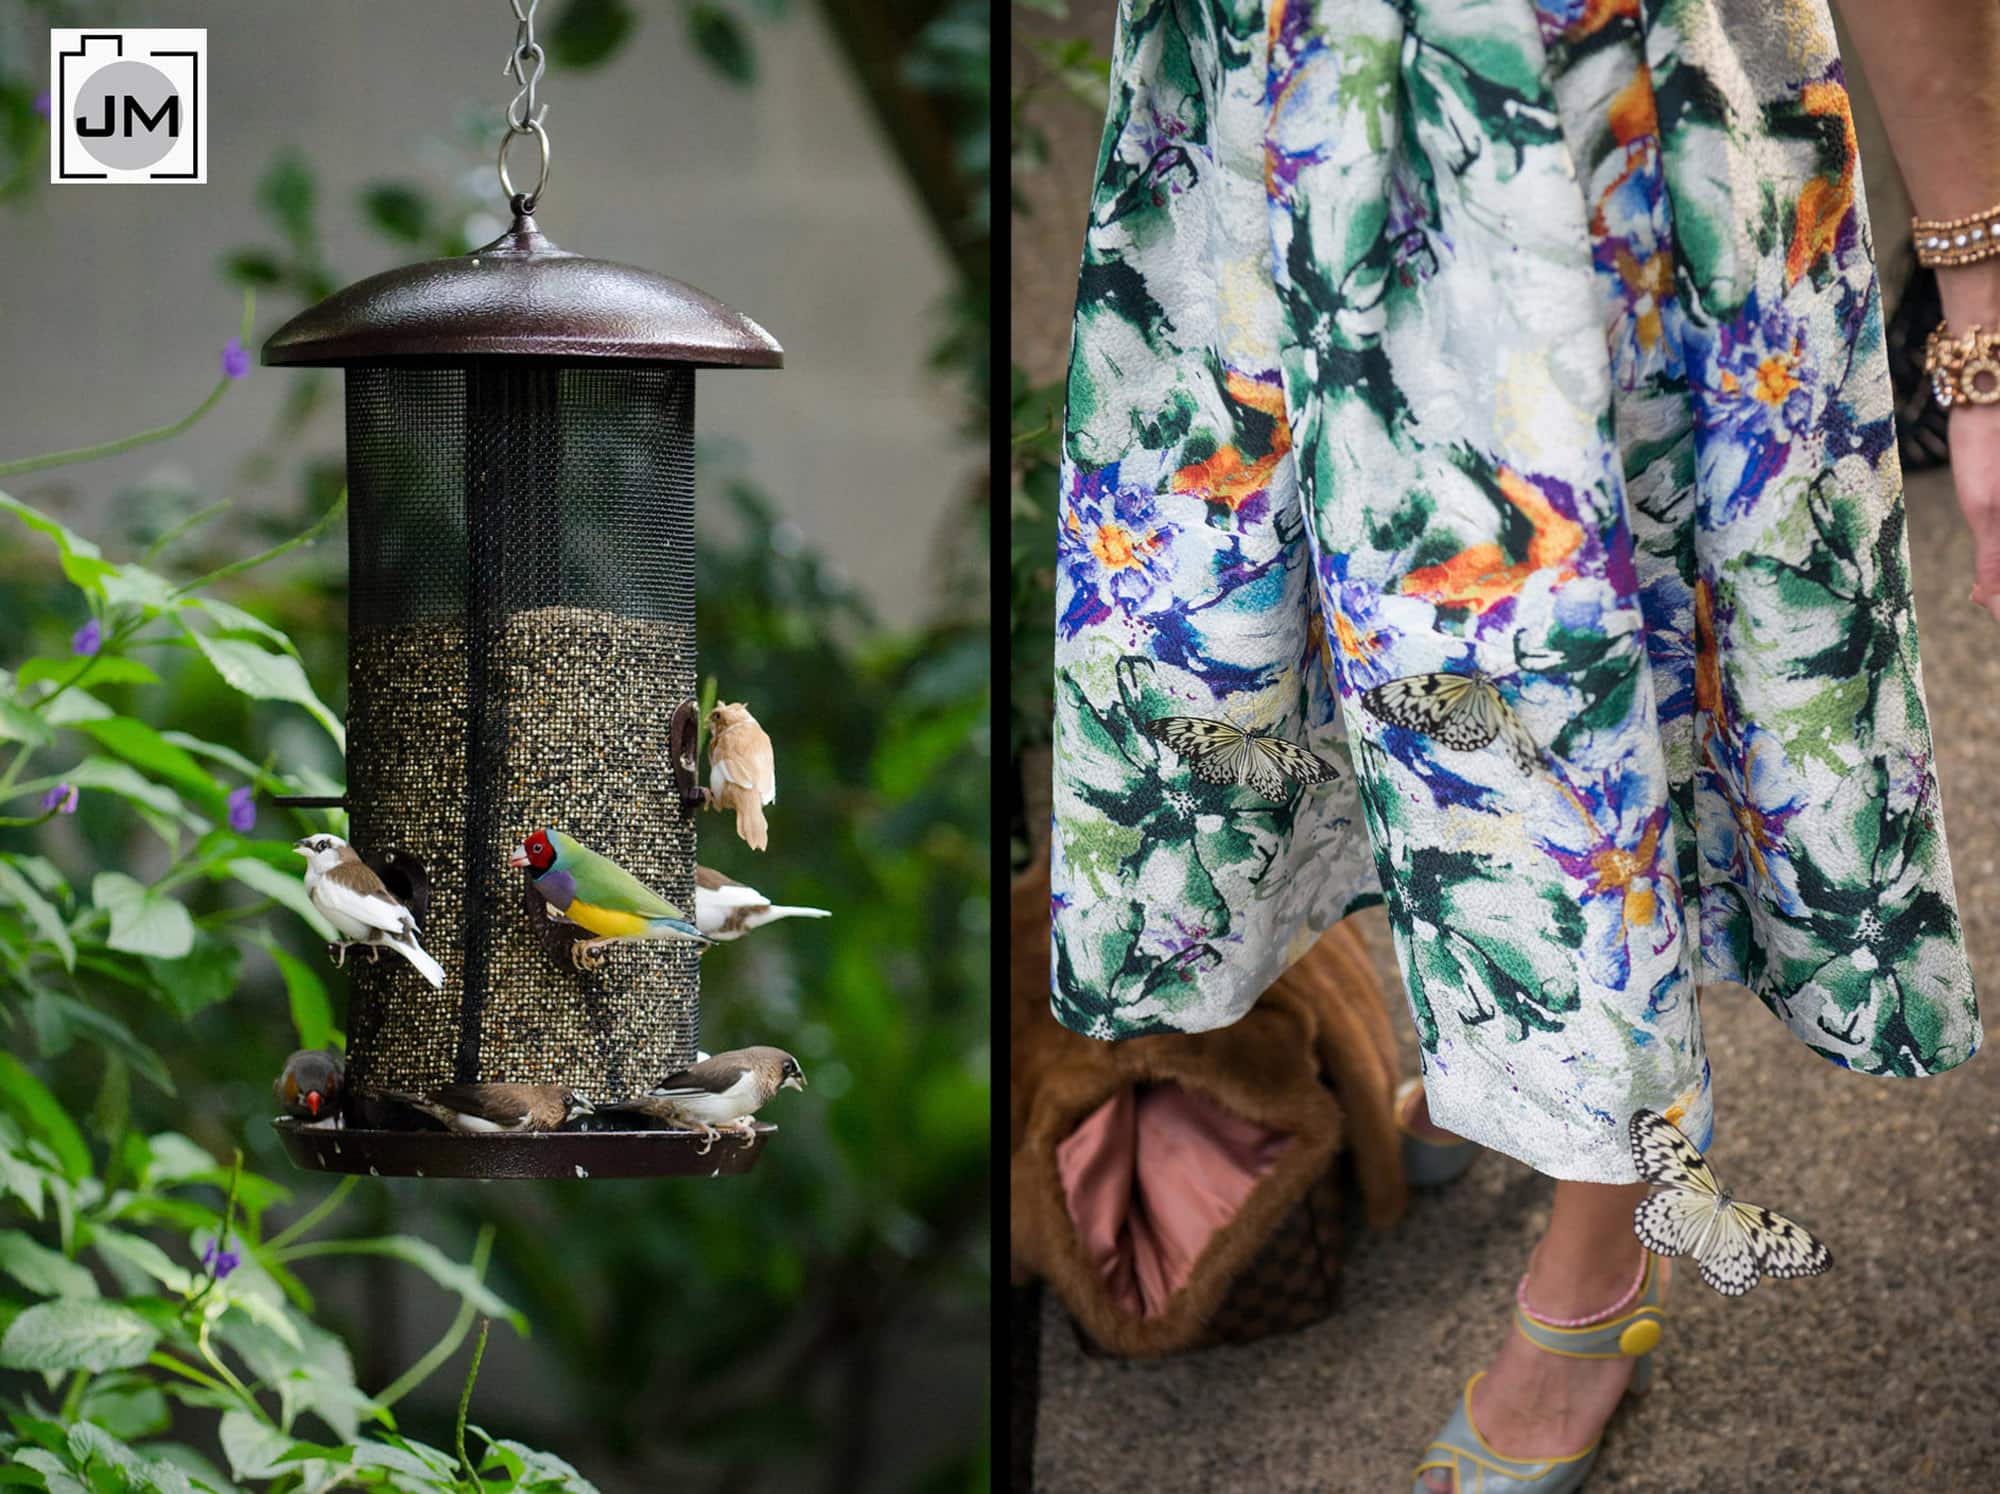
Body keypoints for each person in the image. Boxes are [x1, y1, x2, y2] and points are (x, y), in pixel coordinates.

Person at [1044, 0, 1999, 1488]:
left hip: (1549, 135)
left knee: (1536, 706)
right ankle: (1507, 1050)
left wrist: (1979, 286)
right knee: (1278, 650)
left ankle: (1600, 1253)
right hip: (1246, 111)